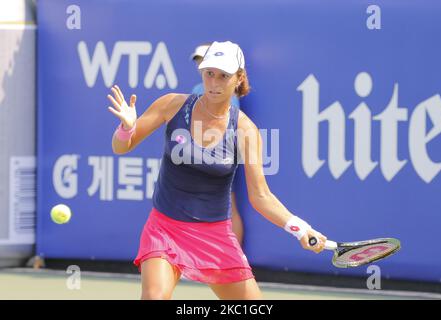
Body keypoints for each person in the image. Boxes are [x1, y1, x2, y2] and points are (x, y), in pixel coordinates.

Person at [107, 41, 327, 300]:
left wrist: (300, 228)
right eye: (209, 73)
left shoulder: (245, 130)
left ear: (239, 78)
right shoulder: (171, 105)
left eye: (224, 76)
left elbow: (261, 197)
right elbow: (122, 147)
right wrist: (127, 128)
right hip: (164, 229)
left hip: (215, 236)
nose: (214, 82)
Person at [190, 43, 244, 245]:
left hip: (220, 154)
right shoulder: (199, 89)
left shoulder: (225, 93)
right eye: (198, 61)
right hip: (206, 153)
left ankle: (234, 256)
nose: (200, 64)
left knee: (228, 204)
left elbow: (225, 124)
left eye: (202, 60)